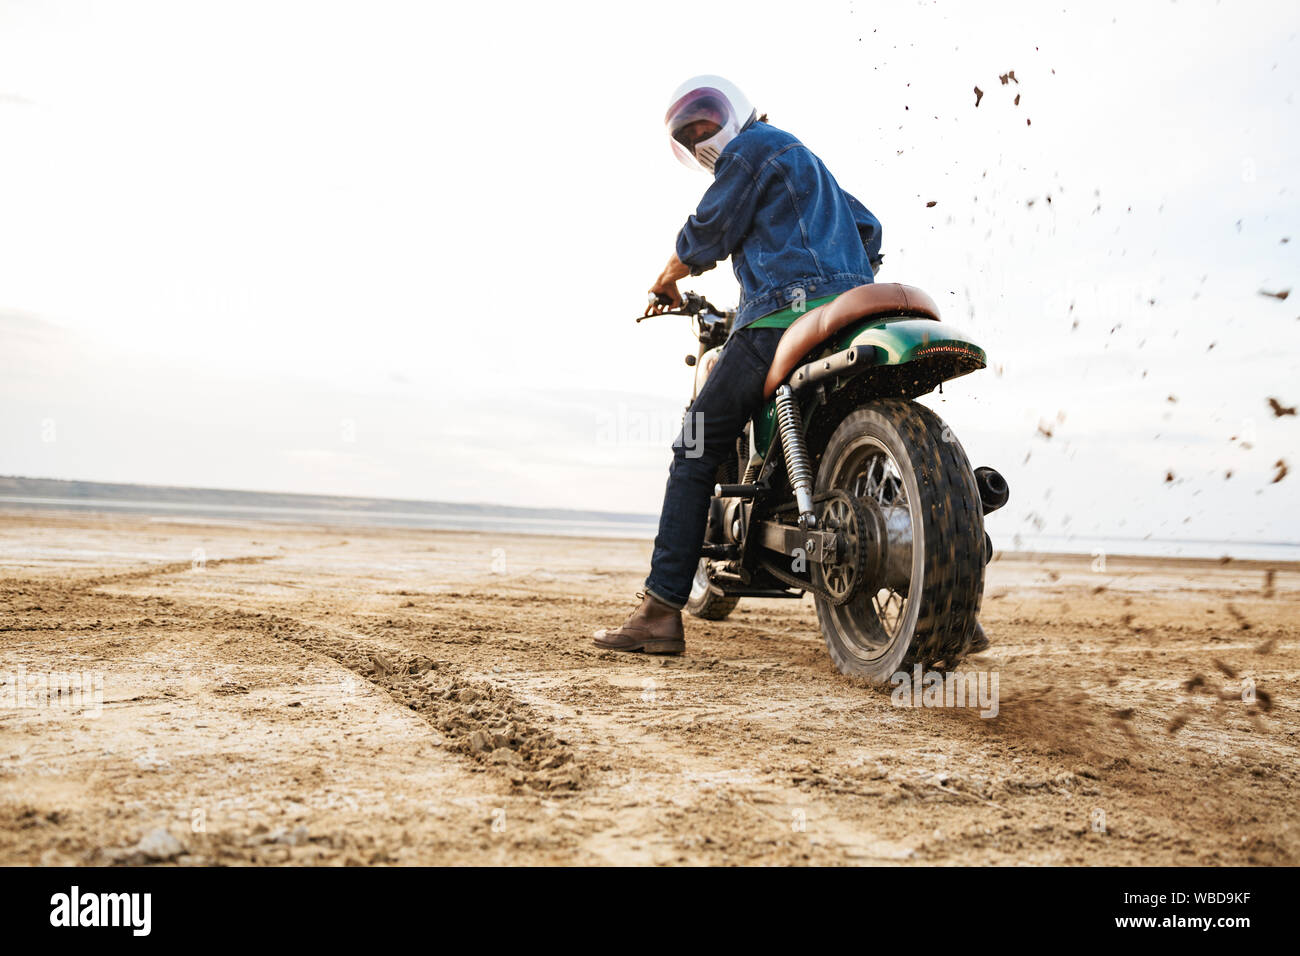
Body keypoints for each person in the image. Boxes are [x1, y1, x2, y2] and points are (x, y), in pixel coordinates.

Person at [594, 75, 884, 655]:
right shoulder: (806, 160)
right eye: (691, 134)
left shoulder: (752, 148)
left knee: (694, 448)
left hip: (779, 313)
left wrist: (664, 282)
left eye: (706, 124)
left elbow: (706, 233)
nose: (702, 138)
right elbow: (869, 228)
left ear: (733, 113)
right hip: (846, 312)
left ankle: (658, 613)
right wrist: (843, 278)